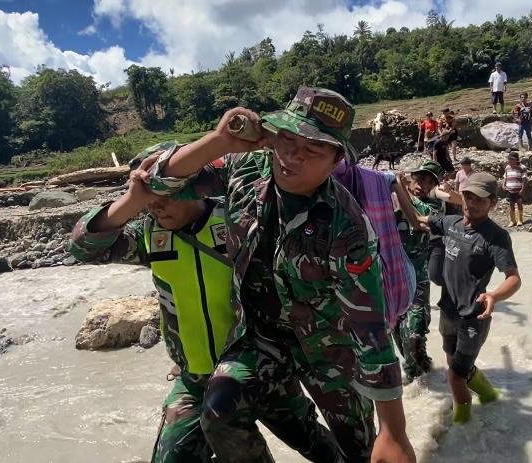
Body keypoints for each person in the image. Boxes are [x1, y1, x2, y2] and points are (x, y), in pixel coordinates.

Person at [138, 87, 415, 462]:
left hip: (328, 352)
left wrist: (394, 432)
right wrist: (220, 141)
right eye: (287, 139)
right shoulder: (247, 169)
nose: (292, 157)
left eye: (312, 150)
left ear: (335, 160)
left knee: (361, 452)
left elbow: (370, 328)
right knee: (219, 411)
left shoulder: (346, 226)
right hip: (260, 339)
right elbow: (160, 181)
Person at [66, 171, 337, 462]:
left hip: (261, 369)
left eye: (165, 194)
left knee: (315, 444)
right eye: (149, 198)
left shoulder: (237, 221)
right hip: (195, 378)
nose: (156, 205)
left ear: (194, 188)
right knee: (172, 456)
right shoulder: (149, 234)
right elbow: (83, 247)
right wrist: (133, 199)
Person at [422, 172, 522, 424]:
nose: (472, 203)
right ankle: (489, 396)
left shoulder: (496, 236)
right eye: (467, 196)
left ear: (493, 203)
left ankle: (462, 430)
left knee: (455, 378)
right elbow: (418, 220)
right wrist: (397, 192)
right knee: (453, 364)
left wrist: (494, 295)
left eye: (480, 199)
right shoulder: (451, 223)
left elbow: (514, 278)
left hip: (473, 317)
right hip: (447, 310)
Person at [391, 160, 446, 384]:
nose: (421, 184)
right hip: (393, 279)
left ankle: (418, 377)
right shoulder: (392, 198)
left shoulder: (434, 208)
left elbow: (417, 219)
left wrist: (400, 189)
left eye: (429, 181)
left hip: (418, 280)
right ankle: (420, 373)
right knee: (398, 331)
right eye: (419, 178)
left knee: (414, 332)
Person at [503, 152, 528, 227]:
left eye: (511, 160)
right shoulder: (507, 167)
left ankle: (519, 220)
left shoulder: (522, 167)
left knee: (519, 203)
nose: (509, 161)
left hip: (518, 190)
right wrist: (503, 184)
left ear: (516, 160)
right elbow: (505, 177)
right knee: (511, 205)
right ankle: (512, 220)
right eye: (509, 159)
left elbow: (524, 179)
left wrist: (523, 189)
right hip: (510, 190)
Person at [434, 108, 458, 173]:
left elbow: (453, 126)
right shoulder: (441, 118)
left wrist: (449, 131)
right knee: (445, 146)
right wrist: (441, 134)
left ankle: (454, 157)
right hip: (444, 133)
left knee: (454, 144)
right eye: (444, 112)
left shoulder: (452, 117)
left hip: (451, 132)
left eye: (446, 112)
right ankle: (446, 157)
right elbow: (439, 127)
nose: (444, 114)